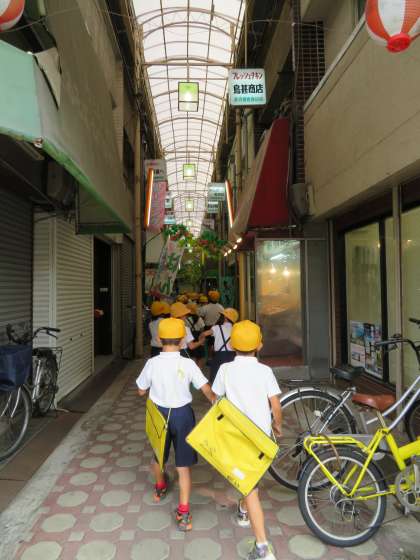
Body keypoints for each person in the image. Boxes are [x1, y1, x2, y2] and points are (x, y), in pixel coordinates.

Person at [136, 317, 215, 531]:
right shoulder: (188, 363)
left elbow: (141, 390)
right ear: (181, 341)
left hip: (159, 415)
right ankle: (184, 513)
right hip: (183, 416)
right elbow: (206, 389)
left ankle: (160, 486)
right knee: (183, 466)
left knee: (157, 456)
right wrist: (216, 403)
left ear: (159, 339)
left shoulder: (152, 363)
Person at [212, 320, 282, 560]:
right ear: (260, 345)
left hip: (236, 436)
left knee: (250, 487)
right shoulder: (265, 371)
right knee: (251, 481)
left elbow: (216, 400)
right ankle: (243, 510)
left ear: (232, 345)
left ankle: (262, 547)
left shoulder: (225, 370)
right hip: (260, 436)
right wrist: (278, 424)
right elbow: (275, 404)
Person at [202, 308, 238, 384]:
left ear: (225, 317)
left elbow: (204, 334)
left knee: (216, 379)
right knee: (230, 378)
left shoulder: (217, 328)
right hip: (233, 356)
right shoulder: (236, 329)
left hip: (219, 356)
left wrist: (201, 340)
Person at [185, 302, 206, 369]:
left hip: (190, 338)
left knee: (192, 355)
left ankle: (192, 369)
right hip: (199, 337)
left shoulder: (185, 319)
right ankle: (199, 369)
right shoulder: (199, 319)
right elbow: (202, 330)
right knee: (199, 356)